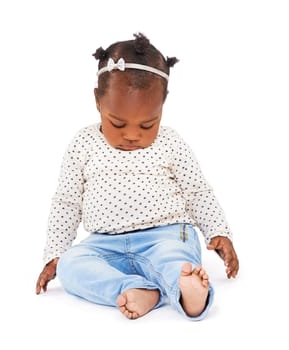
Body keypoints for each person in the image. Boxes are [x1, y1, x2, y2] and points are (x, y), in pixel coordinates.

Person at [35, 33, 239, 321]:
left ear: (162, 106)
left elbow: (197, 192)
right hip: (104, 244)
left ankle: (188, 292)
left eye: (148, 124)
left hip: (166, 235)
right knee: (72, 266)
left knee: (174, 259)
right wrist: (55, 254)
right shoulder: (83, 143)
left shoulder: (171, 143)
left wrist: (218, 231)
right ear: (97, 101)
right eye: (118, 123)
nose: (132, 135)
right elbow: (67, 202)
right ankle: (136, 289)